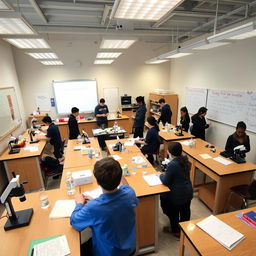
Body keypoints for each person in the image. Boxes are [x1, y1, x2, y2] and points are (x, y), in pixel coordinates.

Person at [70, 157, 138, 256]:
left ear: (97, 182)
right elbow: (126, 187)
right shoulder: (130, 193)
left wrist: (79, 203)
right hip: (129, 248)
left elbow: (75, 222)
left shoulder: (94, 207)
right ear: (120, 178)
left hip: (108, 252)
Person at [156, 142, 193, 237]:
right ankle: (185, 228)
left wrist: (160, 175)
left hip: (177, 195)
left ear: (170, 152)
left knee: (173, 212)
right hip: (188, 191)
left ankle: (176, 230)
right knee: (185, 211)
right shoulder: (185, 160)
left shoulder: (172, 164)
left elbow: (165, 181)